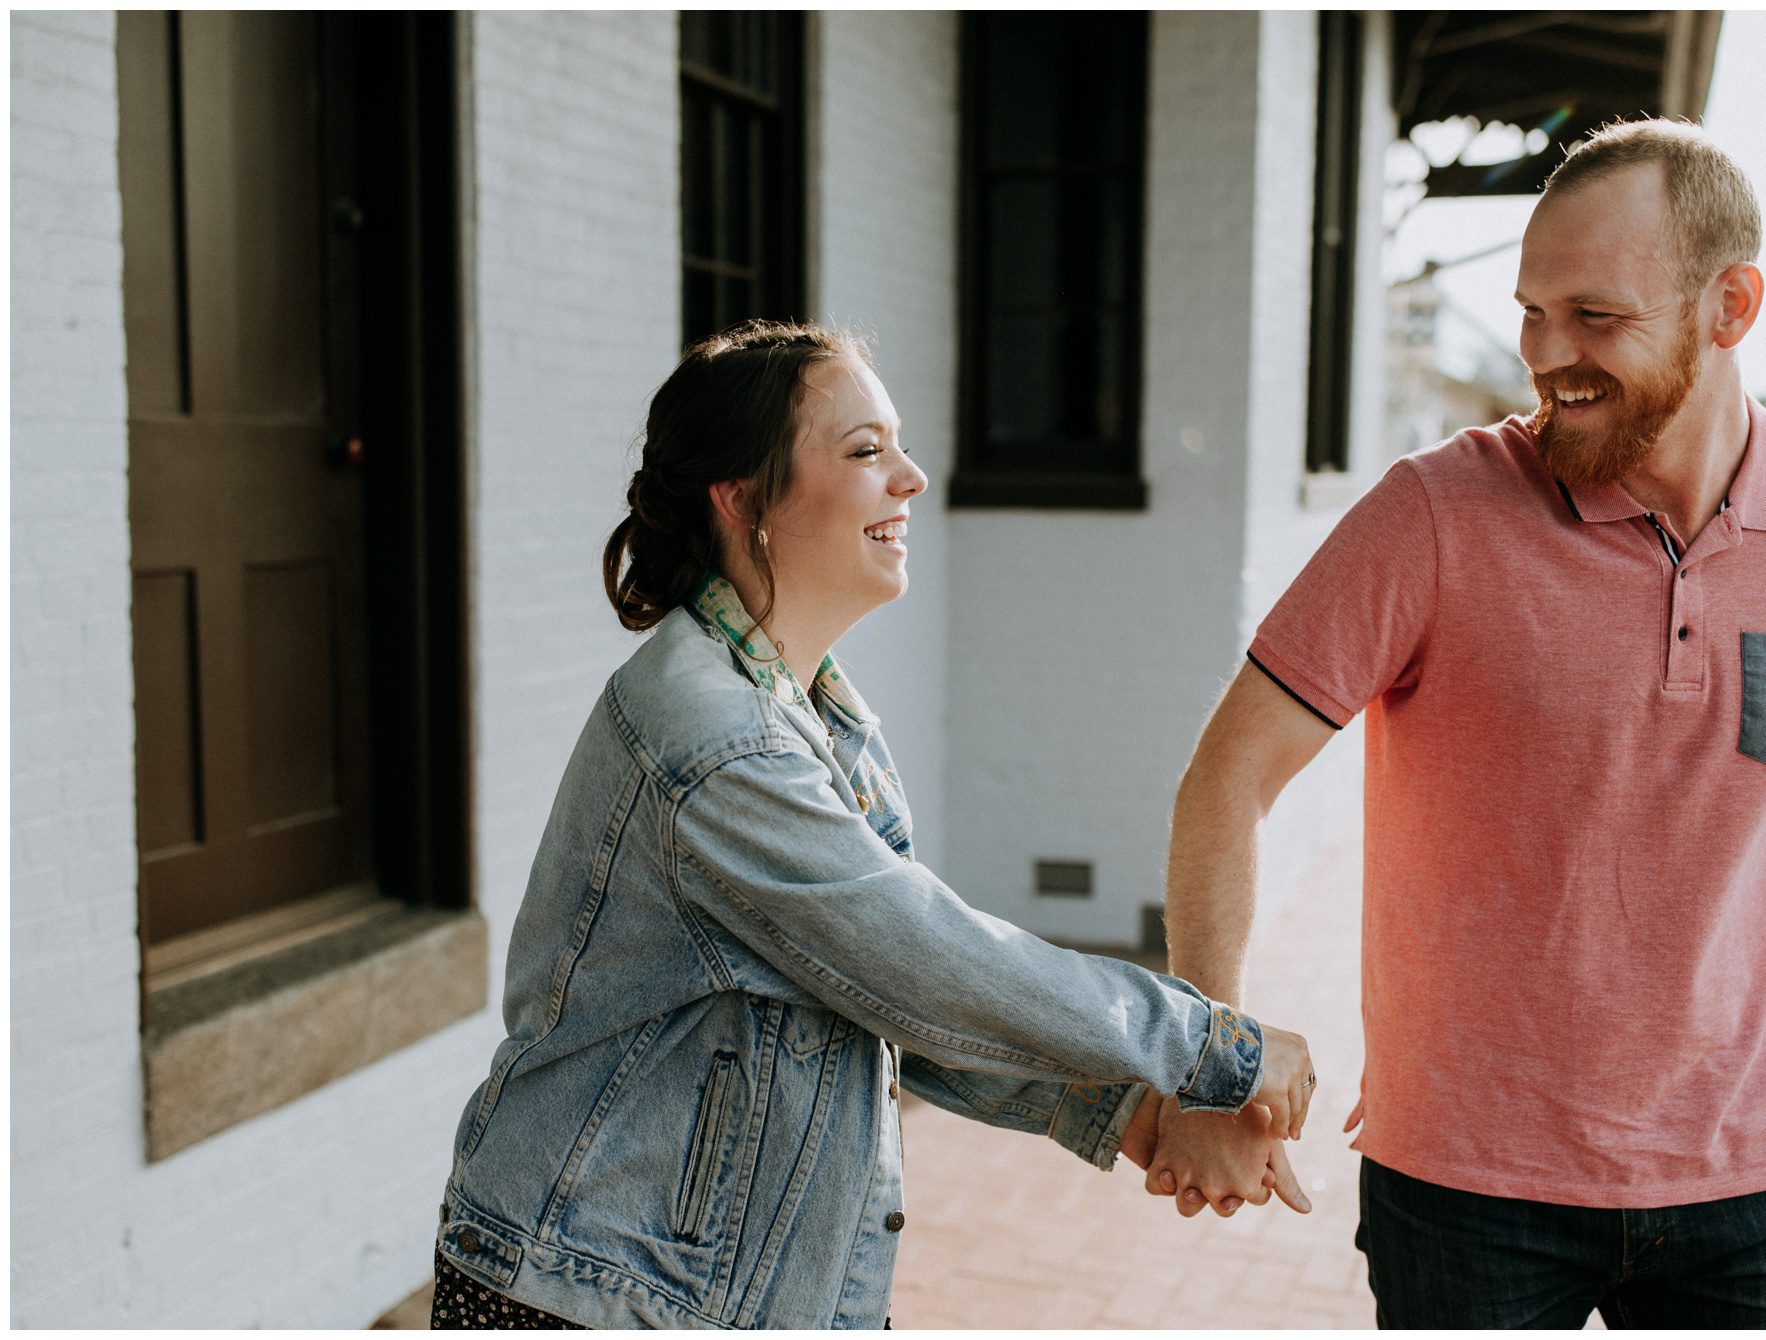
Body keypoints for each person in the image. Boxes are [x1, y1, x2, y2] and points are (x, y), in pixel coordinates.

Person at [1144, 119, 1766, 1327]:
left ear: (1728, 305)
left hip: (1740, 1171)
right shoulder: (1431, 512)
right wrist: (1210, 1059)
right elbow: (1226, 777)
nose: (1547, 355)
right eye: (1532, 312)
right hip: (1463, 1189)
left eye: (1594, 316)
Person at [430, 320, 1315, 1330]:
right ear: (742, 498)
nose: (911, 478)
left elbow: (882, 997)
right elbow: (926, 963)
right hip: (593, 1290)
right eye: (863, 450)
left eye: (895, 444)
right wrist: (1214, 1046)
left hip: (739, 1288)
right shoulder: (716, 736)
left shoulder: (812, 709)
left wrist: (1131, 1112)